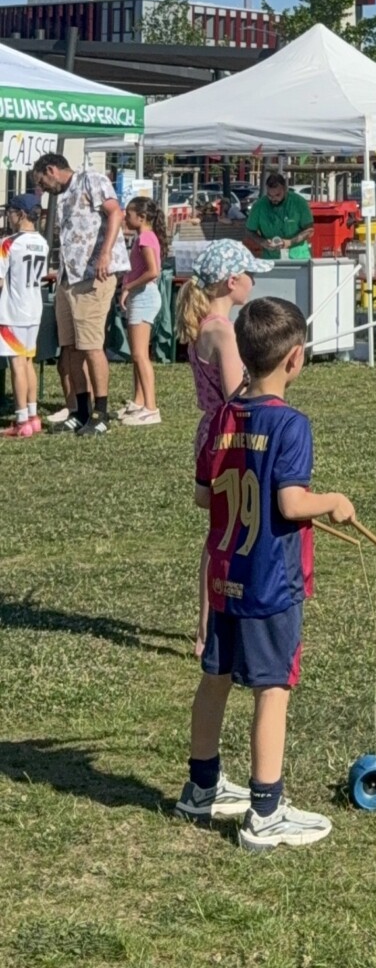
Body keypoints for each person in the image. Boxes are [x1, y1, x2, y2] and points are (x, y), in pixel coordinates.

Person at [177, 296, 356, 851]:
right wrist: (334, 502)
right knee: (272, 689)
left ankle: (202, 788)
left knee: (215, 679)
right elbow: (292, 503)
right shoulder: (291, 424)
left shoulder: (221, 418)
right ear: (295, 358)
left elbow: (205, 497)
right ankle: (266, 811)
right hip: (270, 581)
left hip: (224, 575)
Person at [177, 241, 272, 656]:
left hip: (209, 431)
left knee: (219, 531)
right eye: (249, 275)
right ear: (232, 281)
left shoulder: (202, 326)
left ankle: (206, 628)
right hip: (229, 435)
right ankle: (212, 628)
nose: (253, 282)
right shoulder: (223, 332)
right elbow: (236, 394)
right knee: (227, 532)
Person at [33, 151, 131, 437]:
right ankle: (80, 410)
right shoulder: (63, 197)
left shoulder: (91, 180)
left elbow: (116, 212)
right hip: (69, 277)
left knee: (91, 345)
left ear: (51, 170)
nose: (43, 188)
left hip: (93, 276)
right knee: (71, 347)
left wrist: (105, 254)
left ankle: (101, 412)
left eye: (42, 181)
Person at [0, 194, 49, 438]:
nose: (8, 217)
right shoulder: (43, 242)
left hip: (13, 310)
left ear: (20, 214)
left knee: (17, 364)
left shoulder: (8, 243)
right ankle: (32, 415)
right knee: (28, 361)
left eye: (10, 212)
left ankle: (21, 420)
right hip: (34, 308)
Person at [118, 197, 168, 426]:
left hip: (144, 296)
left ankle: (151, 407)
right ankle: (139, 402)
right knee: (138, 354)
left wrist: (128, 286)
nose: (125, 217)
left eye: (129, 213)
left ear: (142, 217)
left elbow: (152, 271)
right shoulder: (144, 237)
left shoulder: (146, 238)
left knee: (139, 355)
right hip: (141, 295)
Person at [245, 173, 314, 261]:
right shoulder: (259, 206)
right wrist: (263, 242)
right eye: (270, 195)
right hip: (271, 258)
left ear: (285, 189)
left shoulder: (299, 203)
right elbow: (250, 231)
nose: (273, 199)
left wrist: (290, 242)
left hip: (298, 257)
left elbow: (309, 230)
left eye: (278, 195)